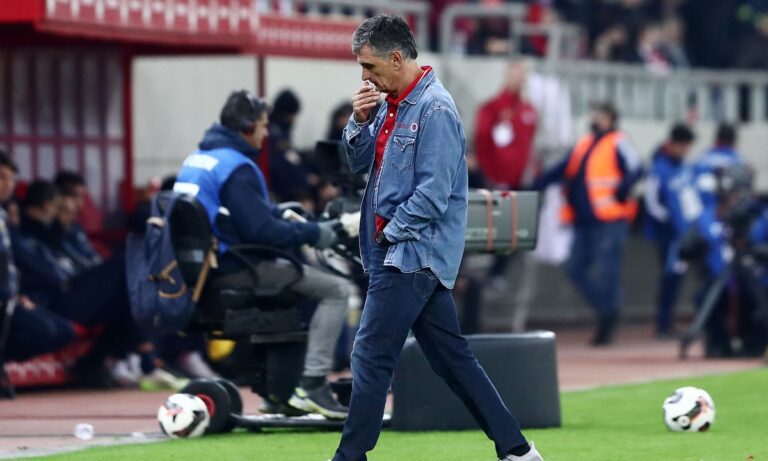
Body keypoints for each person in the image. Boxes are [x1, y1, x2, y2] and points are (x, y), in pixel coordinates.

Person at [333, 15, 543, 461]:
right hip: (401, 252)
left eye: (369, 66)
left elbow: (434, 193)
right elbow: (356, 164)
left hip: (409, 254)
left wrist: (390, 233)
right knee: (453, 360)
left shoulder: (436, 110)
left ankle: (349, 457)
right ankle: (518, 451)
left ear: (396, 59)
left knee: (370, 355)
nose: (364, 77)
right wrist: (358, 121)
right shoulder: (390, 103)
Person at [173, 90, 351, 419]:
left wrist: (278, 212)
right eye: (263, 125)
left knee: (293, 288)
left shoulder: (200, 159)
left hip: (200, 274)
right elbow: (262, 233)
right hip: (235, 269)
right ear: (246, 127)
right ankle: (313, 384)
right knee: (335, 289)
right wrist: (315, 233)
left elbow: (233, 215)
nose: (266, 133)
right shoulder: (237, 167)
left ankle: (278, 392)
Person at [535, 102, 642, 346]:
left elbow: (636, 167)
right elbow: (565, 168)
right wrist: (539, 182)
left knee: (607, 272)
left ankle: (607, 319)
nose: (594, 118)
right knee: (575, 269)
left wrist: (624, 188)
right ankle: (608, 310)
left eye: (599, 114)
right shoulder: (585, 142)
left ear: (611, 118)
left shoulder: (618, 140)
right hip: (583, 221)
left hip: (610, 219)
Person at [474, 59, 539, 330]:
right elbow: (482, 142)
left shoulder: (528, 110)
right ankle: (489, 277)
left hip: (519, 183)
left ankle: (496, 274)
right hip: (497, 183)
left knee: (517, 235)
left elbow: (528, 145)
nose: (518, 78)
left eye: (522, 74)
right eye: (514, 73)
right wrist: (492, 176)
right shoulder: (492, 108)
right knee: (496, 233)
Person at [643, 123, 699, 338]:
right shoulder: (659, 168)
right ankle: (663, 325)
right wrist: (670, 221)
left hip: (685, 233)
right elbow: (652, 203)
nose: (687, 150)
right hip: (668, 235)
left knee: (678, 278)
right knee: (670, 278)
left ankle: (668, 323)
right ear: (675, 144)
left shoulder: (683, 166)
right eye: (684, 146)